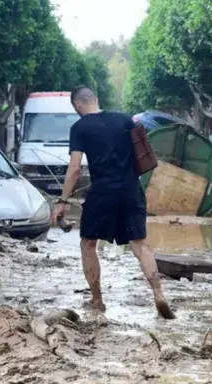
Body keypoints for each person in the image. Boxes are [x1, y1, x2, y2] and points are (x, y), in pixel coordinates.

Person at [51, 86, 176, 320]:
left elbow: (75, 169)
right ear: (96, 100)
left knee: (88, 244)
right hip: (131, 190)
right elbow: (144, 153)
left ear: (77, 106)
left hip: (102, 193)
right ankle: (159, 294)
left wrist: (62, 202)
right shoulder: (124, 119)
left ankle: (97, 300)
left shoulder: (79, 128)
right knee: (140, 246)